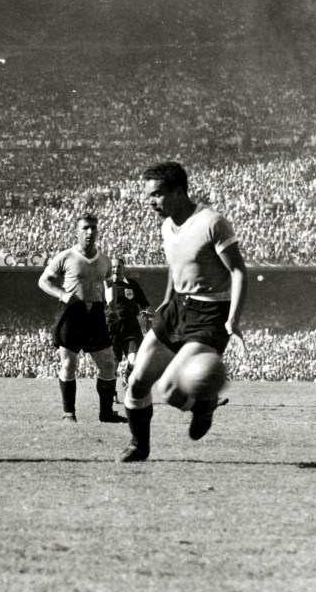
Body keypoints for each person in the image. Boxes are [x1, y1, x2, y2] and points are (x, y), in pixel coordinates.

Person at [118, 162, 247, 462]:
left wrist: (233, 320)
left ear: (179, 191)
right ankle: (139, 446)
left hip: (210, 314)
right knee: (137, 382)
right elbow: (176, 268)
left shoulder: (211, 222)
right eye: (149, 195)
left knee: (170, 389)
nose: (151, 202)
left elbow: (239, 271)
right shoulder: (166, 226)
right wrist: (165, 302)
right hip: (177, 308)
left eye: (157, 194)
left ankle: (204, 405)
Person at [38, 213, 126, 423]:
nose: (90, 232)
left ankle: (106, 414)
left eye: (93, 228)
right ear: (76, 232)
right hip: (72, 312)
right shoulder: (66, 256)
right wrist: (62, 294)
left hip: (95, 313)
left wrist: (111, 306)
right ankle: (69, 414)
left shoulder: (104, 260)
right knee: (68, 364)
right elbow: (43, 281)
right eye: (85, 228)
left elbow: (109, 285)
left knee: (107, 364)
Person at [105, 256, 152, 389]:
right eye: (113, 267)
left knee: (135, 361)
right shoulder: (104, 285)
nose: (115, 269)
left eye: (118, 267)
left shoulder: (132, 284)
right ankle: (112, 393)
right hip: (112, 329)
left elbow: (145, 305)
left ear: (123, 268)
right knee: (113, 363)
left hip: (131, 328)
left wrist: (147, 314)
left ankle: (127, 377)